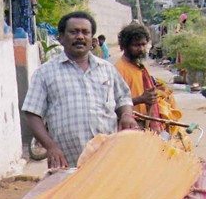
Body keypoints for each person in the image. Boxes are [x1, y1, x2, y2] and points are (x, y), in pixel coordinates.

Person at [22, 11, 138, 169]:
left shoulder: (107, 69)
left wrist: (126, 115)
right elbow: (32, 113)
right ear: (61, 37)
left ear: (92, 38)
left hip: (107, 158)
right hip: (67, 161)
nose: (80, 37)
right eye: (73, 32)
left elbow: (123, 97)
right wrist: (50, 147)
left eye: (85, 32)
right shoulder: (45, 73)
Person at [114, 22, 181, 134]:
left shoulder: (138, 66)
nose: (141, 49)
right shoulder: (119, 69)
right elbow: (113, 104)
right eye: (136, 45)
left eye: (143, 45)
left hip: (147, 121)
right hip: (131, 125)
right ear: (125, 46)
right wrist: (141, 99)